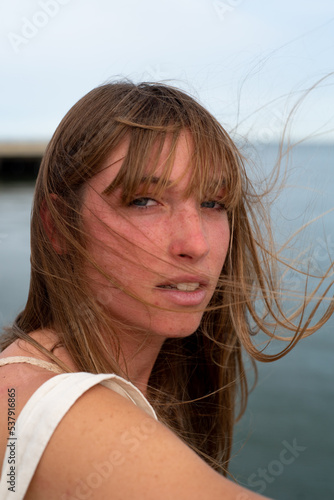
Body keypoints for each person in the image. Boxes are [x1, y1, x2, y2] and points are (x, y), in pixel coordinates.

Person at [0, 82, 332, 500]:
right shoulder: (44, 407)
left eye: (213, 203)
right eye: (144, 201)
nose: (196, 244)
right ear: (57, 226)